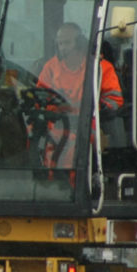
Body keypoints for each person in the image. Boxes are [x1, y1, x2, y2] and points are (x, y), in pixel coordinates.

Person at [35, 22, 124, 168]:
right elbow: (40, 96)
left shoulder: (100, 68)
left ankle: (71, 185)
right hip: (56, 124)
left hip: (87, 124)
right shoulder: (51, 67)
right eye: (60, 43)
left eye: (67, 43)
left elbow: (114, 100)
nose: (62, 48)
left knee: (72, 146)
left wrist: (95, 107)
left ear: (80, 43)